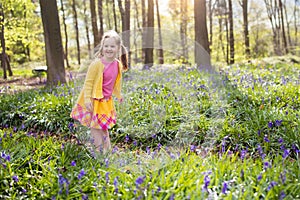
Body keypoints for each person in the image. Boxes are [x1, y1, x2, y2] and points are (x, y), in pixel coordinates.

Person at [70, 30, 128, 154]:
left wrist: (118, 94)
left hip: (106, 101)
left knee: (104, 127)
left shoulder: (117, 64)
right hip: (93, 100)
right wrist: (87, 100)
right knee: (95, 127)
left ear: (118, 48)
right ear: (102, 47)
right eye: (106, 46)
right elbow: (88, 83)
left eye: (112, 46)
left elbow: (116, 81)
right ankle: (99, 152)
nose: (109, 49)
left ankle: (107, 150)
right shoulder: (96, 64)